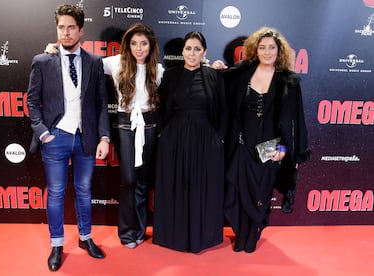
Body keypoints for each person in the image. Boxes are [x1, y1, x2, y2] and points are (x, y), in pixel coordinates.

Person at [45, 23, 164, 249]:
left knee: (143, 180)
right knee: (129, 179)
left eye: (144, 43)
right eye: (134, 43)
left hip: (149, 124)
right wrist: (55, 51)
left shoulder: (157, 70)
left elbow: (181, 80)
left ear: (151, 45)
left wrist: (209, 65)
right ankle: (127, 233)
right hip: (124, 123)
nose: (139, 48)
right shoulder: (116, 62)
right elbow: (83, 61)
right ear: (127, 45)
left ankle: (139, 230)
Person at [212, 26, 310, 253]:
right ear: (255, 50)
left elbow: (296, 119)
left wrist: (286, 146)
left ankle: (252, 236)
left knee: (260, 193)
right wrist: (215, 69)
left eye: (271, 48)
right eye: (262, 47)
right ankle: (242, 233)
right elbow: (221, 85)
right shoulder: (242, 73)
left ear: (279, 51)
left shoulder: (288, 80)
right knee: (237, 191)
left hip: (270, 148)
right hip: (241, 146)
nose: (267, 52)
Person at [26, 4, 110, 271]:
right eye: (61, 27)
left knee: (84, 191)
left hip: (85, 138)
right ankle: (57, 243)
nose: (66, 32)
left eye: (71, 27)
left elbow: (101, 102)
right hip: (56, 138)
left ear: (81, 30)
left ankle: (85, 238)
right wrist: (42, 133)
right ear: (57, 29)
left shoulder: (95, 62)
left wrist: (104, 138)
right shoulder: (42, 61)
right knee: (57, 193)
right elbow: (32, 101)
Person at [152, 31, 227, 253]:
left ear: (204, 52)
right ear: (182, 51)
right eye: (188, 48)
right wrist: (162, 134)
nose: (192, 53)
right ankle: (173, 237)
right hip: (174, 139)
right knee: (177, 185)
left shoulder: (214, 76)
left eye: (197, 49)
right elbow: (159, 106)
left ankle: (202, 237)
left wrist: (218, 138)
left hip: (206, 140)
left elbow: (224, 111)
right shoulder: (170, 76)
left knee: (202, 187)